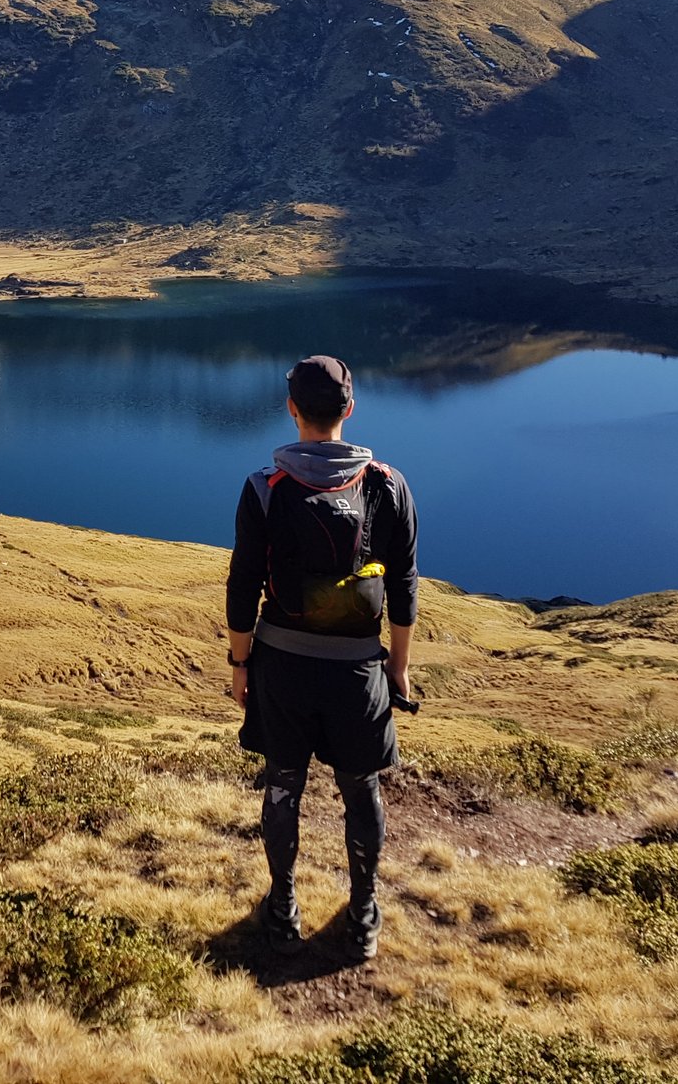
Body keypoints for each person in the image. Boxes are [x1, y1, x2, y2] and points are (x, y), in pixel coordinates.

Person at [226, 354, 418, 960]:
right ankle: (362, 918)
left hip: (281, 668)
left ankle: (282, 911)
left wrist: (240, 665)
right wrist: (397, 669)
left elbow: (242, 586)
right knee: (362, 791)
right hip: (357, 672)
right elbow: (404, 587)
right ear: (349, 409)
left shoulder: (266, 487)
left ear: (292, 409)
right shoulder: (387, 486)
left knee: (283, 786)